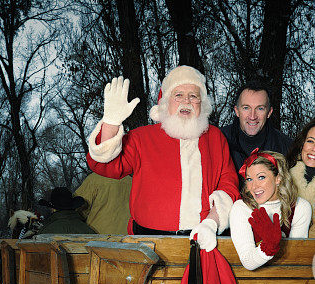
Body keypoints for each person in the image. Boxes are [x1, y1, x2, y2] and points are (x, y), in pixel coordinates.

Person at [86, 66, 239, 251]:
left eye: (193, 96)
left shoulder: (215, 138)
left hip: (202, 242)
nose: (186, 101)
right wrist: (111, 123)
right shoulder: (141, 137)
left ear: (202, 103)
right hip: (147, 244)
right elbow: (107, 166)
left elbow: (228, 185)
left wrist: (212, 223)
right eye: (179, 95)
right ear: (166, 102)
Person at [229, 150, 312, 270]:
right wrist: (268, 246)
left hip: (288, 281)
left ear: (278, 178)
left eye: (261, 177)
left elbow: (295, 258)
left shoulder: (300, 207)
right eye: (249, 179)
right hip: (249, 283)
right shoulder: (241, 208)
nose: (254, 186)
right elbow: (247, 261)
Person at [221, 79, 292, 172]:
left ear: (269, 112)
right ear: (237, 111)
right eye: (246, 108)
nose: (252, 116)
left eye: (260, 108)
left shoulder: (286, 147)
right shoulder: (220, 139)